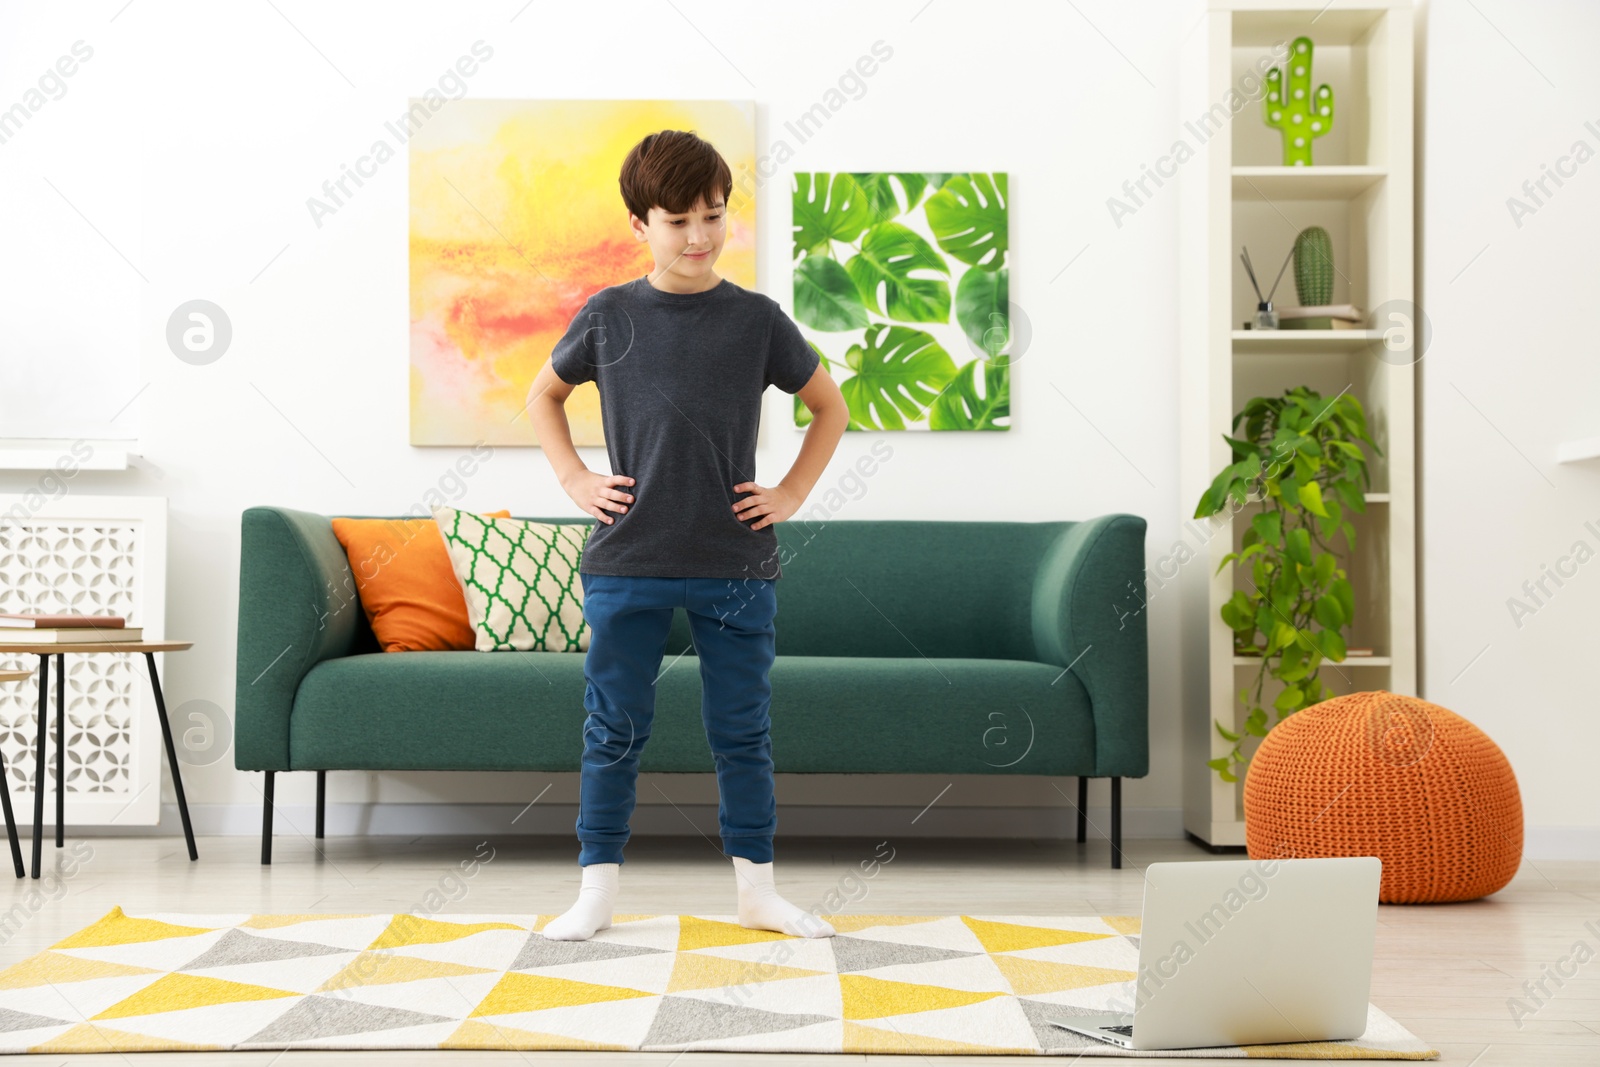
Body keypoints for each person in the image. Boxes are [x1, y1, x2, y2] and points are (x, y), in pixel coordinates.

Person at [524, 129, 850, 942]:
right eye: (678, 221)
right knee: (614, 726)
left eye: (713, 215)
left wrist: (792, 490)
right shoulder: (607, 315)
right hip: (626, 559)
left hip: (735, 561)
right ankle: (596, 892)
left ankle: (757, 893)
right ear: (640, 224)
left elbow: (829, 407)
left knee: (742, 729)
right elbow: (544, 396)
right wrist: (574, 480)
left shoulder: (757, 320)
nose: (700, 236)